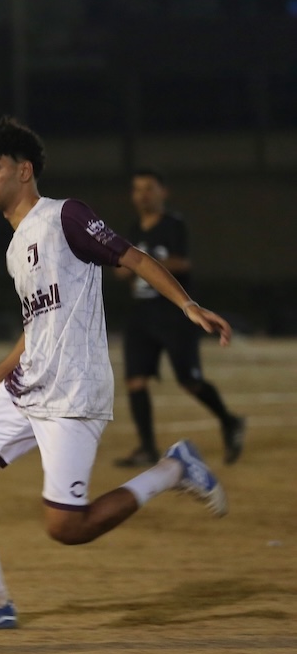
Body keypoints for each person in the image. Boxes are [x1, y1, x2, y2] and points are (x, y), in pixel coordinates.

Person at [0, 118, 231, 629]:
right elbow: (35, 328)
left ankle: (173, 470)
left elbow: (133, 257)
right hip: (28, 385)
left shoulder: (64, 216)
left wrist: (187, 304)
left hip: (72, 392)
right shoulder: (15, 248)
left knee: (67, 528)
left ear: (24, 171)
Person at [113, 167, 245, 467]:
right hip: (141, 315)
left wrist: (144, 263)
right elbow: (121, 269)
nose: (142, 195)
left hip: (173, 315)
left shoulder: (173, 225)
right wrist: (125, 268)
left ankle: (230, 421)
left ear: (163, 192)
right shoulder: (134, 229)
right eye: (137, 189)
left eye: (149, 188)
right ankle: (147, 448)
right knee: (135, 380)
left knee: (190, 381)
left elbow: (182, 262)